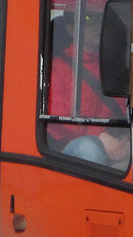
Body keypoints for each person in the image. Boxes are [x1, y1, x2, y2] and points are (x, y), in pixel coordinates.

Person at [47, 13, 127, 166]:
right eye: (89, 20)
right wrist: (100, 135)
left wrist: (126, 137)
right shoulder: (58, 66)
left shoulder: (111, 65)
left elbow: (121, 108)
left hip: (111, 139)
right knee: (89, 149)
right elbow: (60, 117)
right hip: (69, 145)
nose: (97, 26)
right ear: (71, 30)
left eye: (100, 20)